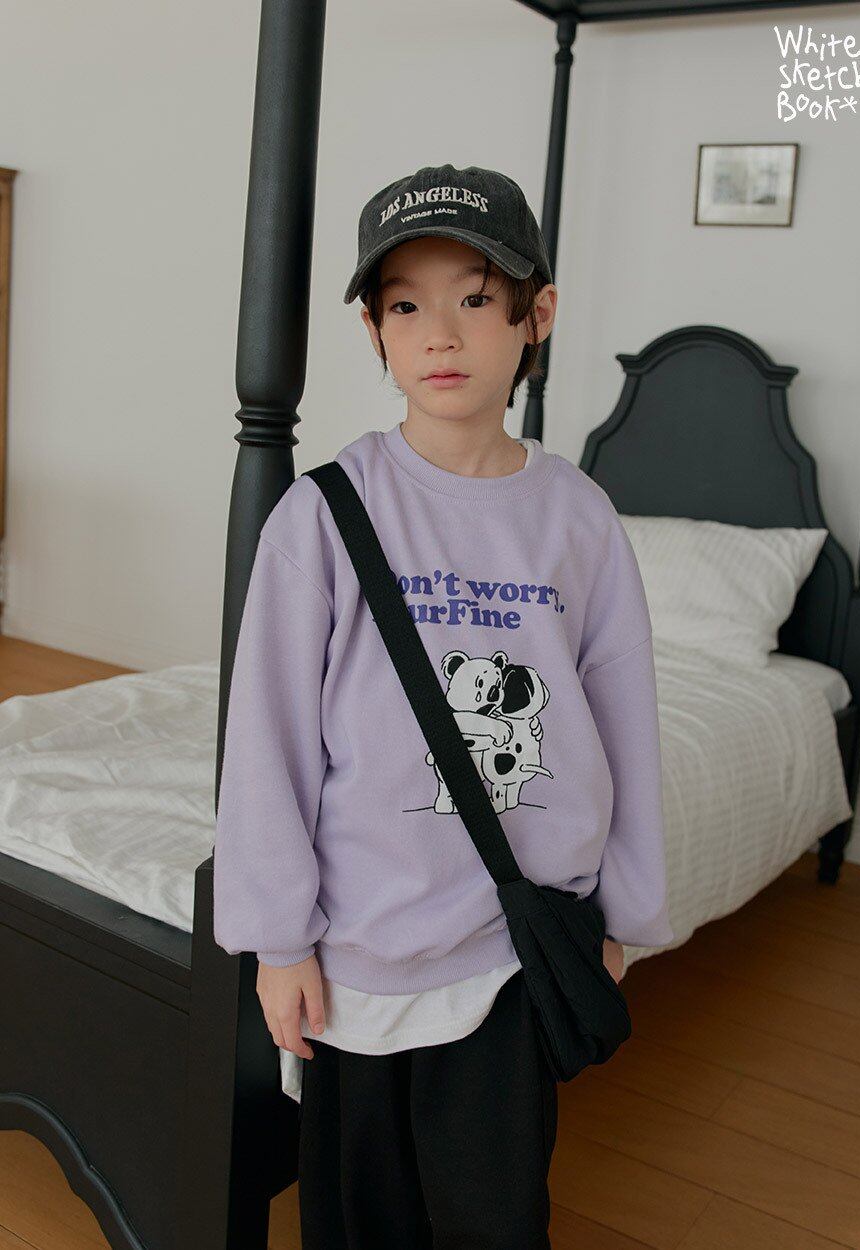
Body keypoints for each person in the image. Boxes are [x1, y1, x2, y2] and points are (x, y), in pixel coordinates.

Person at [212, 163, 675, 1249]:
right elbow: (268, 740)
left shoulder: (579, 518)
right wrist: (278, 940)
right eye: (406, 306)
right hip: (358, 952)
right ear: (374, 330)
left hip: (511, 948)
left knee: (493, 1218)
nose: (442, 335)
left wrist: (627, 916)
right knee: (358, 1218)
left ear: (536, 315)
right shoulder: (323, 514)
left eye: (475, 297)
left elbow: (624, 724)